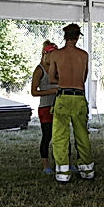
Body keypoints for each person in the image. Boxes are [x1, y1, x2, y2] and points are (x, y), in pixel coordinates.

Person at [48, 23, 94, 183]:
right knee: (82, 134)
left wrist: (64, 80)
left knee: (60, 136)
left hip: (63, 97)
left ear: (65, 37)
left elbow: (52, 78)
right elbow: (84, 78)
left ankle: (63, 172)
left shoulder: (55, 55)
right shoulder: (84, 55)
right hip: (79, 97)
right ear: (77, 37)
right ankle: (87, 170)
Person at [30, 41, 59, 175]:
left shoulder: (57, 68)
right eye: (52, 55)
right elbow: (34, 92)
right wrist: (52, 91)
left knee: (61, 136)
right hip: (45, 107)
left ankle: (65, 163)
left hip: (59, 105)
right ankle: (46, 166)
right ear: (45, 54)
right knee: (47, 136)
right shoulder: (39, 70)